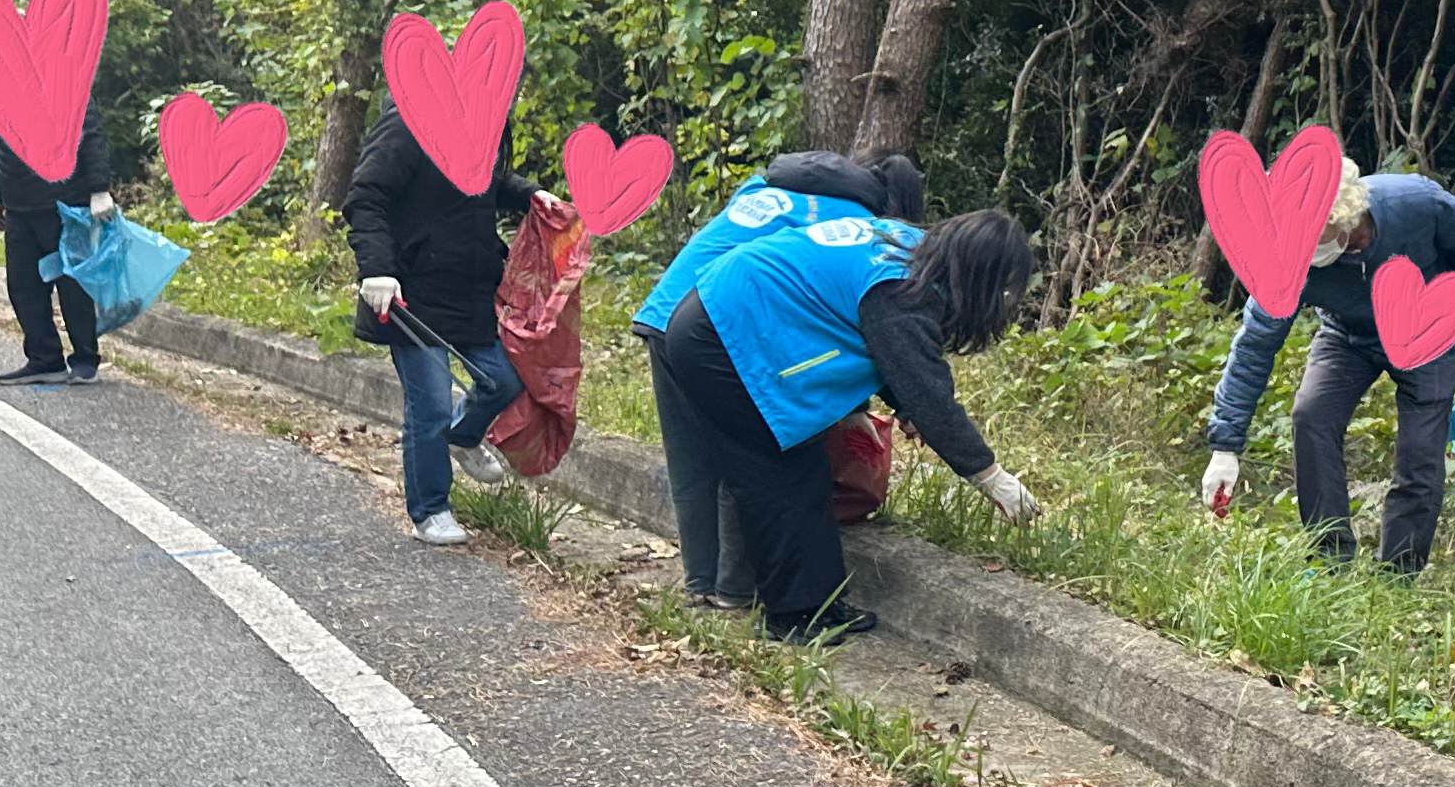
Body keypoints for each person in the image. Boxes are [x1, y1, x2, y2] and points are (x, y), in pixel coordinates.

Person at [650, 206, 1041, 643]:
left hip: (724, 316)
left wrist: (868, 408)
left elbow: (865, 339)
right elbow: (927, 393)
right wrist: (990, 476)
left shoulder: (904, 250)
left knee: (803, 469)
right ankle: (792, 617)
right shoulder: (900, 291)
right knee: (778, 474)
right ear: (981, 277)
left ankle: (819, 604)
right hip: (720, 333)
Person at [631, 149, 928, 606]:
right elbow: (842, 316)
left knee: (691, 463)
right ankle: (735, 590)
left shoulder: (772, 186)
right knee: (746, 452)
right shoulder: (856, 225)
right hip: (718, 326)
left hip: (665, 310)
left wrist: (853, 407)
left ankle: (700, 586)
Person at [1198, 162, 1455, 572]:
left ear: (1343, 220)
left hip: (1429, 331)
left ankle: (1398, 574)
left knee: (1421, 452)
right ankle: (1330, 559)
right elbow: (1253, 347)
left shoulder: (1412, 203)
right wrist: (1225, 446)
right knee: (1311, 415)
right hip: (1348, 336)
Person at [341, 100, 559, 547]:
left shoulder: (483, 120)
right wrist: (376, 269)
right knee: (431, 406)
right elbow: (366, 196)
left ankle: (464, 436)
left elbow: (489, 181)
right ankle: (431, 508)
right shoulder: (407, 119)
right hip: (411, 292)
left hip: (469, 288)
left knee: (505, 379)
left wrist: (530, 195)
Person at [0, 112, 121, 389]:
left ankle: (85, 359)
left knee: (72, 286)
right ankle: (45, 359)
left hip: (65, 202)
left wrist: (99, 189)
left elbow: (89, 133)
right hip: (18, 206)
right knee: (23, 285)